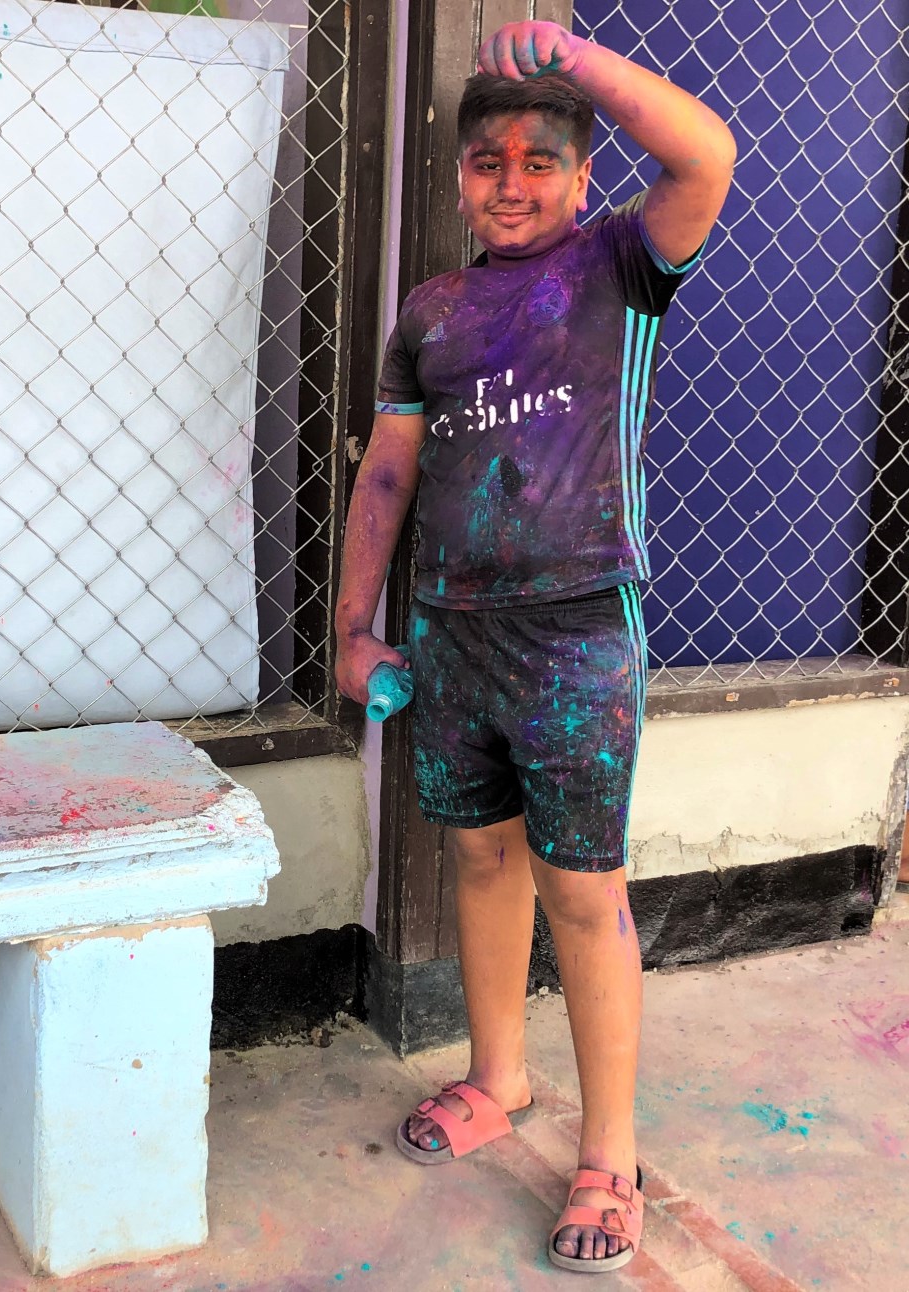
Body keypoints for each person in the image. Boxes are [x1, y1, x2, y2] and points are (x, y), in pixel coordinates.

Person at [334, 22, 734, 1275]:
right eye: (487, 161)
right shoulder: (432, 311)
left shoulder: (622, 264)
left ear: (580, 171)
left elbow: (707, 157)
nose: (511, 183)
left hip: (576, 632)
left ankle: (609, 1151)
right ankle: (498, 1074)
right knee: (482, 856)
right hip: (452, 632)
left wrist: (577, 60)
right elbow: (388, 469)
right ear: (460, 174)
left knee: (582, 888)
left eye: (540, 159)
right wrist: (354, 627)